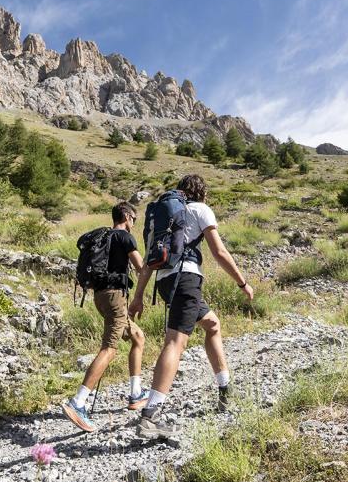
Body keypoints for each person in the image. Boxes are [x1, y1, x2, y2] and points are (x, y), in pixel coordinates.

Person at [129, 174, 254, 440]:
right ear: (202, 192)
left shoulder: (164, 217)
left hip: (165, 282)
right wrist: (242, 283)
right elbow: (219, 252)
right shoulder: (200, 209)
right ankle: (150, 416)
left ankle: (225, 389)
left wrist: (138, 297)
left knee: (212, 324)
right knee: (175, 342)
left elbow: (149, 261)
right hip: (186, 279)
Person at [61, 202, 150, 432]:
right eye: (134, 219)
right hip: (115, 297)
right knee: (109, 348)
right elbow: (141, 268)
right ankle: (78, 402)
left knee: (137, 337)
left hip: (100, 296)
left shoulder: (104, 237)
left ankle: (136, 393)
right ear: (127, 216)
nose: (134, 223)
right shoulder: (125, 237)